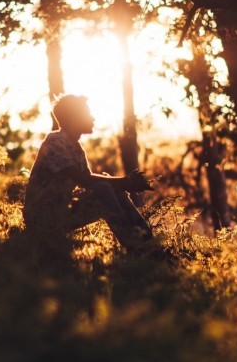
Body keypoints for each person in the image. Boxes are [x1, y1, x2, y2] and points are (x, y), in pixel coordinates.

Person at [23, 94, 154, 250]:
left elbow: (89, 181)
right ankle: (136, 247)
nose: (93, 118)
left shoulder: (76, 148)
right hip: (42, 217)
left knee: (111, 188)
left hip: (60, 210)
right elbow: (84, 180)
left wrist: (123, 184)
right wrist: (126, 182)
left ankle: (150, 246)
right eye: (87, 114)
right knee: (105, 188)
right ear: (74, 118)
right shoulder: (55, 141)